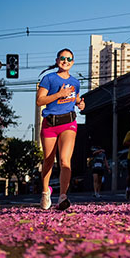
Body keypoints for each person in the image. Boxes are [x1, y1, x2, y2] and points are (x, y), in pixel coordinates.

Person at [37, 48, 85, 211]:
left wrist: (80, 104)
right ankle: (45, 192)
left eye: (69, 59)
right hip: (50, 124)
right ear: (57, 60)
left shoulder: (75, 82)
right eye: (63, 58)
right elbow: (39, 100)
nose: (66, 61)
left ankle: (63, 196)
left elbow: (76, 98)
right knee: (49, 160)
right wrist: (59, 94)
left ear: (73, 62)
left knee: (65, 160)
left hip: (68, 123)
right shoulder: (48, 79)